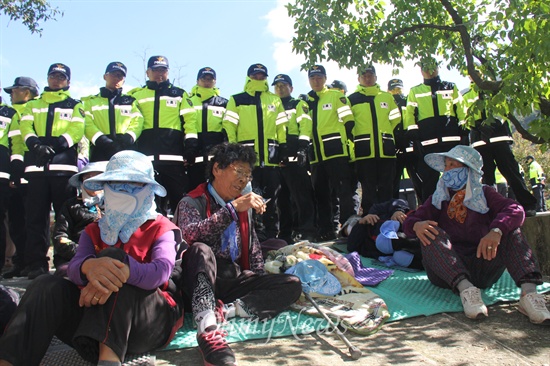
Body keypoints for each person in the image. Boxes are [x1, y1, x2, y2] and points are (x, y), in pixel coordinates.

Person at [0, 150, 184, 365]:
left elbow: (160, 272)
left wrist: (124, 270)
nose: (123, 190)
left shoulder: (162, 227)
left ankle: (109, 360)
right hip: (91, 324)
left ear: (150, 190)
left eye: (135, 184)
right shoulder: (93, 230)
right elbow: (74, 267)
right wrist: (89, 267)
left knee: (114, 259)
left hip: (148, 322)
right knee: (45, 284)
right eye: (115, 184)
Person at [174, 143, 302, 366]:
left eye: (248, 174)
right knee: (200, 251)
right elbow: (190, 236)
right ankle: (207, 327)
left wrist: (259, 278)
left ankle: (228, 310)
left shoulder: (243, 203)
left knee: (291, 284)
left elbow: (251, 245)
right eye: (238, 171)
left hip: (231, 278)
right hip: (198, 279)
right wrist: (231, 210)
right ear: (217, 169)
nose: (244, 179)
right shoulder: (192, 201)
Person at [403, 145, 550, 324]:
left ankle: (529, 294)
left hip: (483, 265)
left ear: (468, 170)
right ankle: (467, 291)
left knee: (511, 230)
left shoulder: (485, 193)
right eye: (446, 166)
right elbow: (409, 223)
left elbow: (516, 210)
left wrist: (496, 231)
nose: (447, 170)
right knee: (430, 232)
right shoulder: (438, 197)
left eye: (453, 165)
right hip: (447, 271)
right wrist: (416, 225)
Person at [19, 63, 85, 279]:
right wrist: (36, 146)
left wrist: (55, 146)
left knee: (64, 220)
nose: (57, 80)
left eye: (61, 77)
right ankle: (37, 264)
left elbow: (77, 129)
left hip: (63, 170)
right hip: (36, 169)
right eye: (53, 76)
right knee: (35, 219)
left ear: (68, 81)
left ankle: (63, 261)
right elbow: (25, 127)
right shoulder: (32, 105)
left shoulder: (75, 104)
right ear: (47, 78)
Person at [223, 63, 288, 240]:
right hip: (247, 162)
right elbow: (229, 125)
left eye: (262, 75)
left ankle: (272, 235)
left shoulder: (274, 100)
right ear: (249, 77)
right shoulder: (237, 99)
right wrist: (234, 151)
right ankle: (252, 235)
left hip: (271, 158)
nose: (259, 78)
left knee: (272, 199)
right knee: (249, 197)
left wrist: (283, 147)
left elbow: (282, 126)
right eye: (255, 75)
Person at [129, 55, 198, 215]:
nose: (160, 73)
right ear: (148, 72)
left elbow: (190, 121)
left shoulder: (180, 94)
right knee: (148, 205)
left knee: (179, 202)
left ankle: (180, 237)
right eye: (155, 70)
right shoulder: (135, 95)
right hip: (145, 160)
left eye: (163, 70)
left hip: (173, 159)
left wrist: (191, 146)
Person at [464, 85, 537, 216]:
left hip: (499, 137)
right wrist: (479, 127)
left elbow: (504, 110)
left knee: (511, 171)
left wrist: (492, 124)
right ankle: (489, 209)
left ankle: (528, 205)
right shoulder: (466, 96)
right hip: (480, 141)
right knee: (486, 177)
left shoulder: (495, 92)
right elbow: (465, 117)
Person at [404, 56, 468, 202]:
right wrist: (414, 138)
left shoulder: (450, 87)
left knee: (457, 179)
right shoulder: (415, 91)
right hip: (427, 145)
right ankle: (431, 213)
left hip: (451, 143)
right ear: (421, 71)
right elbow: (409, 115)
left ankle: (459, 212)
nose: (430, 71)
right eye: (426, 68)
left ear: (438, 68)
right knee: (429, 183)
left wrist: (465, 132)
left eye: (432, 68)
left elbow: (462, 111)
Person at [303, 65, 356, 240]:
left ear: (325, 78)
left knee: (344, 192)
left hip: (336, 154)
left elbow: (349, 122)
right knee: (321, 196)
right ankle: (326, 230)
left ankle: (348, 228)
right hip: (316, 156)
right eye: (312, 78)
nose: (316, 81)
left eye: (319, 77)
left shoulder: (335, 96)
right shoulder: (306, 102)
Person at [348, 65, 401, 213]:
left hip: (386, 151)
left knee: (387, 188)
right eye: (363, 75)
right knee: (368, 189)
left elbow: (396, 119)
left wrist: (386, 133)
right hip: (364, 152)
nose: (367, 77)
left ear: (376, 77)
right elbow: (347, 123)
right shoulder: (351, 99)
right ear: (358, 78)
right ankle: (370, 224)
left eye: (370, 75)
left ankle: (388, 222)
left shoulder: (387, 97)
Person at [271, 74, 316, 243]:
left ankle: (307, 230)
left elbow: (305, 127)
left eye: (284, 85)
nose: (280, 88)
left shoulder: (298, 104)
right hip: (277, 159)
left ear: (291, 88)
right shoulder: (271, 106)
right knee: (281, 200)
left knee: (302, 197)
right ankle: (285, 233)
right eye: (277, 86)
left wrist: (302, 149)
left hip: (295, 157)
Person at [1, 77, 38, 279]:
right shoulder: (10, 113)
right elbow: (12, 143)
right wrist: (15, 168)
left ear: (28, 92)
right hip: (14, 173)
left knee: (31, 220)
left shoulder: (33, 109)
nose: (11, 94)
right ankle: (20, 261)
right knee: (16, 222)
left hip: (34, 171)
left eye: (15, 90)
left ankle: (33, 262)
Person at [51, 161, 106, 275]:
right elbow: (60, 236)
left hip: (107, 257)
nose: (92, 181)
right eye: (88, 177)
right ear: (82, 182)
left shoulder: (115, 204)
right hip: (74, 257)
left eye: (97, 177)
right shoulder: (70, 205)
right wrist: (83, 252)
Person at [83, 62, 143, 163]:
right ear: (105, 76)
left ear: (124, 80)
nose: (116, 78)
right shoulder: (90, 102)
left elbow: (138, 121)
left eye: (120, 76)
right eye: (113, 74)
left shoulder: (131, 101)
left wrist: (129, 138)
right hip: (100, 148)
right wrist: (101, 140)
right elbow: (87, 123)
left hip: (126, 149)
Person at [345, 198, 423, 270]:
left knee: (396, 240)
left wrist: (398, 210)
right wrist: (360, 225)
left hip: (412, 225)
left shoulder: (375, 211)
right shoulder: (364, 243)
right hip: (401, 248)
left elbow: (397, 202)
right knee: (400, 256)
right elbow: (351, 247)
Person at [187, 67, 228, 190]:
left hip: (216, 157)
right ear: (197, 81)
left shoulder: (224, 103)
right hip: (194, 156)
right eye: (204, 78)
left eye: (210, 79)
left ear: (215, 82)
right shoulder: (188, 101)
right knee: (195, 191)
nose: (207, 81)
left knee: (218, 191)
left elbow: (227, 129)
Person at [388, 78, 421, 206]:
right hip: (394, 148)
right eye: (394, 89)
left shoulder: (409, 101)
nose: (397, 92)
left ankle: (422, 208)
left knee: (418, 181)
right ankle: (394, 211)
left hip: (410, 146)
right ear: (388, 90)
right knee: (393, 184)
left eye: (399, 88)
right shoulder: (387, 103)